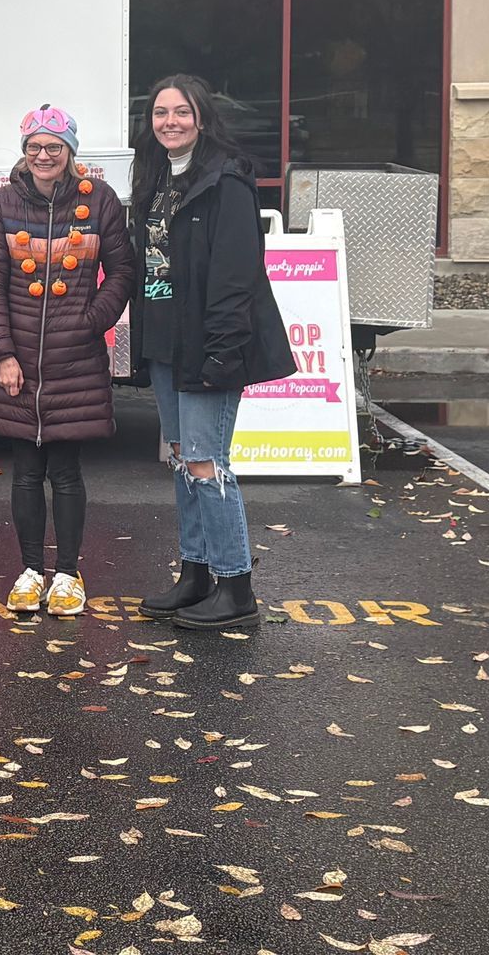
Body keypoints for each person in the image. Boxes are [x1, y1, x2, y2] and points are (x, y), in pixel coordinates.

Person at [130, 75, 294, 631]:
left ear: (202, 118)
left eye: (181, 112)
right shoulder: (155, 177)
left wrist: (223, 352)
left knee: (206, 462)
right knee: (182, 458)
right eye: (160, 113)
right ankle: (195, 575)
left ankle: (235, 586)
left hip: (209, 347)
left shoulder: (227, 181)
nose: (169, 121)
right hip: (165, 343)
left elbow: (235, 276)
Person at [0, 104, 138, 619]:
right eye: (34, 147)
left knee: (66, 472)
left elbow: (123, 272)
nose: (43, 155)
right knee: (25, 472)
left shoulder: (101, 201)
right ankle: (30, 570)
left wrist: (92, 321)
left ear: (71, 152)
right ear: (24, 153)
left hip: (76, 358)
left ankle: (67, 573)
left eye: (54, 147)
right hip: (18, 362)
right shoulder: (3, 203)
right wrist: (0, 353)